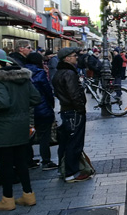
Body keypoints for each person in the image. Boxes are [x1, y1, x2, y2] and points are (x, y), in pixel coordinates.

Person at [0, 48, 42, 210]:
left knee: (5, 165)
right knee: (21, 163)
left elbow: (2, 103)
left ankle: (7, 199)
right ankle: (28, 195)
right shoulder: (22, 77)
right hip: (22, 127)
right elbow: (36, 98)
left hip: (3, 129)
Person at [52, 47, 91, 183]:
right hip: (73, 112)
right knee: (74, 143)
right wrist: (81, 109)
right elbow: (74, 94)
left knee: (65, 142)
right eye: (74, 56)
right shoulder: (69, 73)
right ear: (67, 58)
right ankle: (71, 172)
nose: (76, 58)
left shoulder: (59, 72)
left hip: (66, 111)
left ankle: (63, 169)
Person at [24, 52, 57, 170]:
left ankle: (29, 160)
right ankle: (46, 161)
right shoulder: (40, 72)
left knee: (29, 136)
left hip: (27, 109)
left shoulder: (21, 72)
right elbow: (47, 90)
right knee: (44, 136)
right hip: (42, 108)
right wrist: (51, 104)